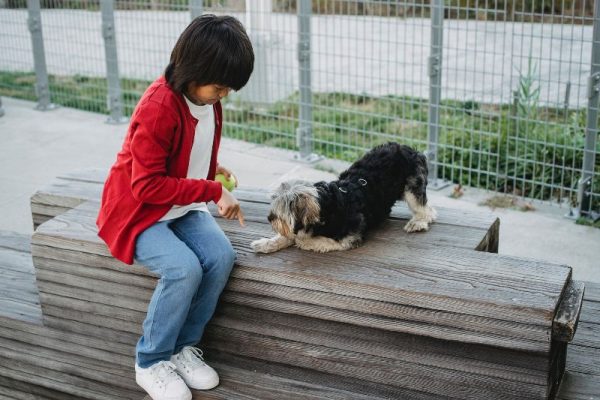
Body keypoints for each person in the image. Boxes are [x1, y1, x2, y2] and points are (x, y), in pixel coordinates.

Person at [96, 14, 254, 400]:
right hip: (139, 211)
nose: (224, 95)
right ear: (193, 71)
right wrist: (213, 190)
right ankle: (150, 361)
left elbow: (184, 147)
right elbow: (147, 184)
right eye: (219, 86)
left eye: (228, 89)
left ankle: (183, 348)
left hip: (177, 207)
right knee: (183, 268)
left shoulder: (206, 100)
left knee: (220, 256)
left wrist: (210, 167)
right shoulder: (158, 106)